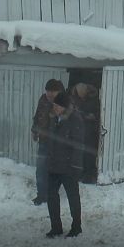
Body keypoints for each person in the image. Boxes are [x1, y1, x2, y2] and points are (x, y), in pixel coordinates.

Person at [45, 91, 85, 238]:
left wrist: (76, 166)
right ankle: (56, 227)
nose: (54, 107)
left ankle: (76, 227)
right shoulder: (54, 118)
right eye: (54, 105)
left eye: (57, 105)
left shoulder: (75, 119)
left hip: (69, 166)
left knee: (73, 197)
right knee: (51, 196)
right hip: (54, 165)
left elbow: (78, 145)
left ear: (64, 106)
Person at [30, 78, 65, 205]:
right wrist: (34, 130)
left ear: (59, 91)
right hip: (44, 141)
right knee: (41, 169)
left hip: (58, 145)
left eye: (53, 91)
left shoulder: (64, 102)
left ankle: (52, 195)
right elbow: (38, 115)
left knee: (55, 170)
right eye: (48, 91)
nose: (49, 94)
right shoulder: (43, 99)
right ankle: (41, 195)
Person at [70, 83, 101, 183]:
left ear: (86, 92)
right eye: (79, 95)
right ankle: (79, 174)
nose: (81, 97)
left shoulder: (94, 99)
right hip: (77, 130)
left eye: (82, 94)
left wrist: (92, 116)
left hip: (90, 131)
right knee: (78, 154)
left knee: (89, 154)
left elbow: (99, 113)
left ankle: (89, 176)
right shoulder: (74, 98)